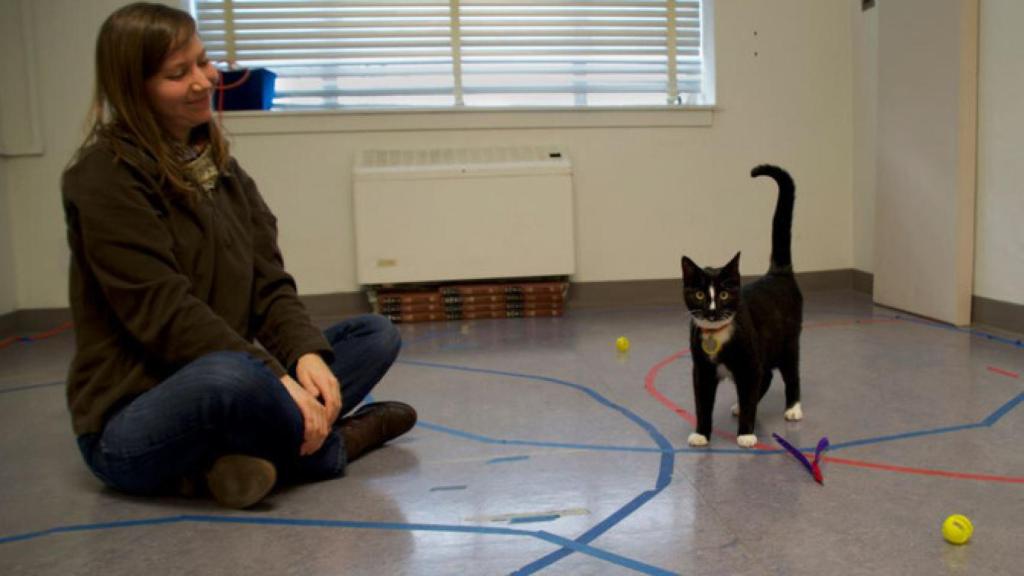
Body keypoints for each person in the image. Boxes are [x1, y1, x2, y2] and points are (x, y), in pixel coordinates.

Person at [62, 2, 416, 509]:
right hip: (132, 421)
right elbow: (166, 314)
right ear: (133, 89)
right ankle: (334, 446)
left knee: (374, 335)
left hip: (237, 387)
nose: (204, 81)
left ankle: (224, 465)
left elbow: (270, 285)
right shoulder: (103, 176)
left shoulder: (222, 169)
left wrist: (303, 356)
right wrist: (275, 379)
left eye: (203, 62)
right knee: (229, 375)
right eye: (177, 74)